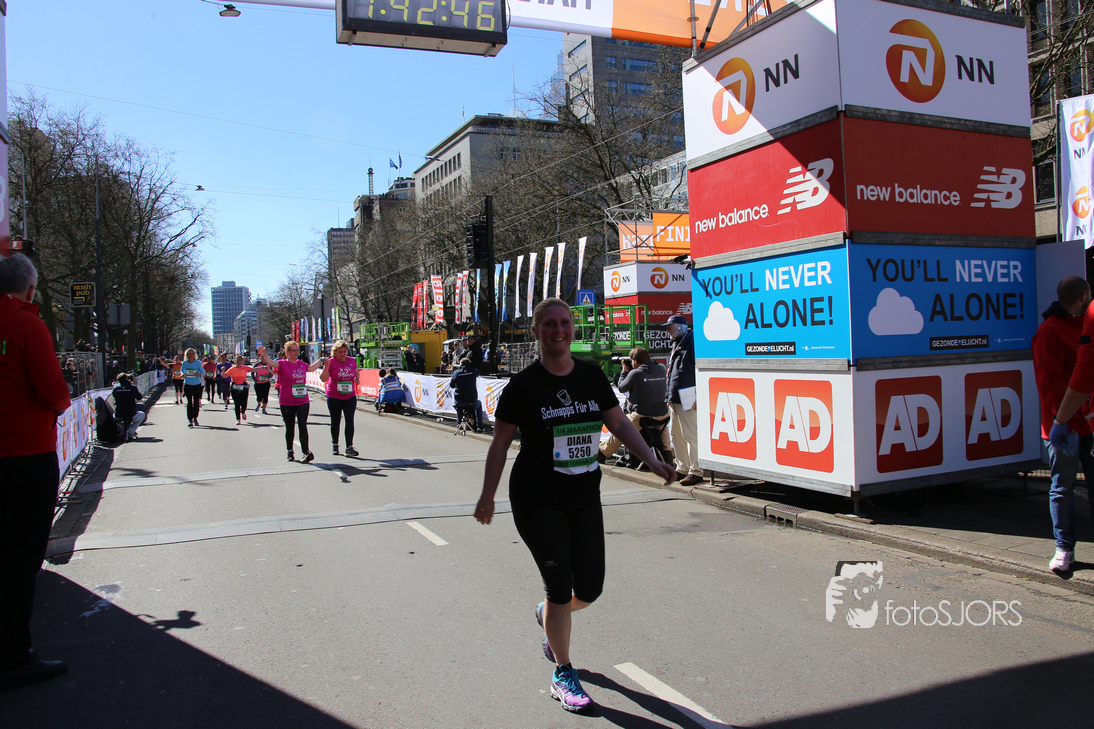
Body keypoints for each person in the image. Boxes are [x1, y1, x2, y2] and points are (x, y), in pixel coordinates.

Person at [474, 298, 675, 714]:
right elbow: (500, 444)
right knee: (558, 586)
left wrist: (652, 459)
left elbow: (618, 422)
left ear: (573, 328)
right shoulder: (522, 386)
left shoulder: (590, 376)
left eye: (565, 322)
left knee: (590, 588)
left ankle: (548, 613)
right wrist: (487, 495)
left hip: (583, 497)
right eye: (549, 324)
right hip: (536, 499)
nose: (559, 330)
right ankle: (563, 671)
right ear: (536, 331)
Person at [0, 253, 72, 689]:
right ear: (30, 289)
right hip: (22, 454)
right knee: (20, 555)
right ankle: (13, 655)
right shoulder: (26, 324)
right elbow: (52, 389)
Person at [1033, 276, 1094, 574]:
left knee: (1064, 487)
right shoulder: (1050, 332)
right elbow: (1051, 385)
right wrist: (1063, 421)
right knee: (1062, 487)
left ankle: (1064, 549)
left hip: (1082, 424)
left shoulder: (1078, 328)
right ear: (1083, 297)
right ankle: (1064, 547)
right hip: (1065, 427)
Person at [599, 346, 671, 464]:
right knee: (662, 430)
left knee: (621, 428)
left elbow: (622, 388)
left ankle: (602, 452)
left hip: (642, 415)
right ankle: (668, 455)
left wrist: (624, 371)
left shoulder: (636, 373)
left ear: (635, 361)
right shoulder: (661, 369)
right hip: (663, 415)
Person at [257, 342, 323, 462]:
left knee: (303, 425)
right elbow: (271, 363)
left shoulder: (301, 364)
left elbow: (312, 368)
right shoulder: (282, 364)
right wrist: (264, 355)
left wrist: (322, 360)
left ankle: (305, 452)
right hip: (287, 401)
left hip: (302, 400)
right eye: (293, 350)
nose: (296, 352)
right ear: (287, 352)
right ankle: (290, 451)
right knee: (290, 427)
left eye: (297, 350)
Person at [664, 314, 702, 486]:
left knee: (690, 434)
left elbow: (696, 369)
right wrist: (669, 396)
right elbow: (673, 372)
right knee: (676, 433)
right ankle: (682, 468)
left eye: (670, 327)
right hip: (677, 396)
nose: (668, 331)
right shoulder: (679, 343)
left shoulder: (690, 342)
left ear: (680, 326)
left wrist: (697, 394)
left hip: (687, 394)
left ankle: (696, 470)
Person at [319, 339, 360, 457]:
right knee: (335, 420)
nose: (343, 354)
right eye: (340, 352)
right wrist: (326, 366)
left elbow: (356, 371)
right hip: (334, 396)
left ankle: (349, 447)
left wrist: (357, 378)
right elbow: (323, 378)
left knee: (349, 420)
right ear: (335, 352)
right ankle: (335, 445)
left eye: (344, 351)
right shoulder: (331, 362)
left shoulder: (351, 361)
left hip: (349, 396)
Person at [449, 357, 482, 431]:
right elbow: (478, 372)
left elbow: (451, 385)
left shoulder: (456, 373)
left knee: (458, 404)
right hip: (471, 401)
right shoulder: (473, 371)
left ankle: (459, 423)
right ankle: (479, 425)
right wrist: (472, 365)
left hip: (459, 401)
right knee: (479, 404)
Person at [111, 373, 146, 441]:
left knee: (115, 416)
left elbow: (114, 396)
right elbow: (139, 397)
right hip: (131, 413)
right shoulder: (132, 388)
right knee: (142, 414)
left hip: (119, 413)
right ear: (126, 379)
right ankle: (131, 430)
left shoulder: (116, 389)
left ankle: (121, 430)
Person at [224, 355, 254, 425]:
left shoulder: (245, 368)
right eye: (237, 360)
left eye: (240, 360)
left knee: (244, 402)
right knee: (237, 404)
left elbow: (254, 369)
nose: (239, 361)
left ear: (242, 361)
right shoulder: (232, 369)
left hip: (243, 387)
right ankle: (238, 419)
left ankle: (243, 412)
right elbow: (225, 375)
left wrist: (263, 367)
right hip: (235, 387)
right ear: (235, 361)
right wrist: (222, 371)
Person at [179, 349, 205, 427]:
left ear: (194, 355)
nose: (190, 355)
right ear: (187, 355)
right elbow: (182, 371)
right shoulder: (185, 363)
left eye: (192, 353)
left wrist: (198, 374)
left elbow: (203, 372)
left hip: (196, 384)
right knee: (189, 402)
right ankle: (190, 419)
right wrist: (182, 374)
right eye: (189, 354)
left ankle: (195, 418)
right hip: (187, 384)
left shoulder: (198, 363)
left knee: (196, 402)